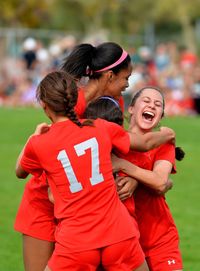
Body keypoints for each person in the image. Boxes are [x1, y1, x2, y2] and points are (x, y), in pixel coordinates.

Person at [14, 43, 174, 271]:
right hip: (47, 202)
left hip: (87, 212)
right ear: (109, 76)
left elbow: (119, 148)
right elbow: (52, 154)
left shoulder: (113, 103)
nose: (127, 85)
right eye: (125, 78)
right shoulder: (71, 103)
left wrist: (137, 178)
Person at [110, 87, 184, 271]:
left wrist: (125, 168)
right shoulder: (114, 141)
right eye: (146, 101)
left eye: (158, 104)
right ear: (131, 109)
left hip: (161, 240)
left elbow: (159, 182)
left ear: (161, 116)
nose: (152, 105)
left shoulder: (163, 144)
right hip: (122, 241)